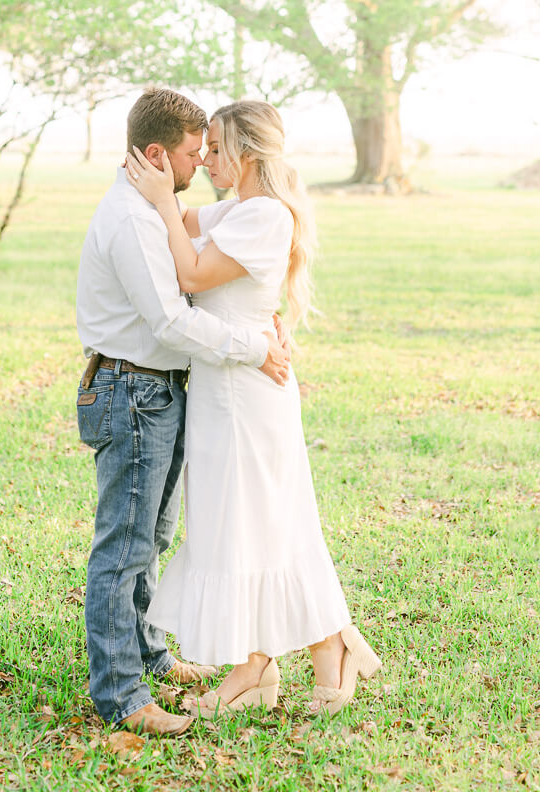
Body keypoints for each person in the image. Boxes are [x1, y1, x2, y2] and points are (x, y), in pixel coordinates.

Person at [124, 100, 381, 718]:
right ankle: (276, 659)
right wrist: (162, 195)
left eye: (215, 149)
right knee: (244, 523)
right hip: (227, 383)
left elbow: (190, 274)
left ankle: (300, 652)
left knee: (253, 522)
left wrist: (160, 201)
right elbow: (187, 224)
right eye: (204, 149)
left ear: (246, 151)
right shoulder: (241, 208)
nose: (206, 159)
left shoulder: (264, 215)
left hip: (247, 392)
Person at [75, 88, 292, 737]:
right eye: (193, 154)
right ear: (155, 154)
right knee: (124, 545)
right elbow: (171, 321)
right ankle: (121, 694)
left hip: (157, 391)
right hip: (132, 389)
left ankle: (148, 653)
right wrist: (254, 348)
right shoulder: (134, 221)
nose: (200, 164)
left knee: (154, 537)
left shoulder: (151, 207)